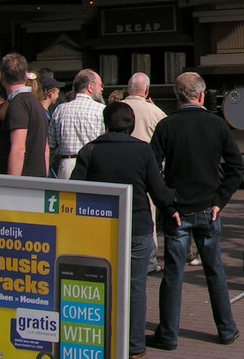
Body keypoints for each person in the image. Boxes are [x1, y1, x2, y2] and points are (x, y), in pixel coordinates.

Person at [71, 102, 179, 359]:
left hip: (100, 228)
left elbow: (75, 190)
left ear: (106, 123)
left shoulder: (91, 150)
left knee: (100, 284)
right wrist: (172, 206)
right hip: (138, 227)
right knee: (136, 286)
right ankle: (134, 347)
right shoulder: (143, 151)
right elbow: (158, 189)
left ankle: (101, 339)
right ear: (130, 125)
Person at [147, 72, 244, 350]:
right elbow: (236, 167)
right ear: (202, 96)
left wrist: (167, 202)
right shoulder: (217, 125)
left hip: (177, 210)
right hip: (208, 208)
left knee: (173, 275)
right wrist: (220, 201)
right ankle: (226, 329)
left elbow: (151, 169)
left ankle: (168, 334)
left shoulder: (166, 126)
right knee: (215, 271)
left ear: (178, 96)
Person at [122, 72, 169, 273]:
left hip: (118, 167)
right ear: (147, 90)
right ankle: (149, 261)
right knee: (148, 215)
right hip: (146, 170)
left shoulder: (116, 108)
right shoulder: (156, 112)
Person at [0, 53, 49, 177]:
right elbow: (45, 149)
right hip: (38, 180)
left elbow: (19, 148)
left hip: (23, 184)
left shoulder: (18, 103)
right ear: (25, 76)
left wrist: (12, 186)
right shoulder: (37, 103)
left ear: (1, 76)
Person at [48, 68, 106, 178]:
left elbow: (51, 143)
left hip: (66, 165)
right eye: (100, 85)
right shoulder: (101, 110)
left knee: (66, 195)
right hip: (92, 165)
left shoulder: (60, 109)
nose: (102, 89)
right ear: (90, 86)